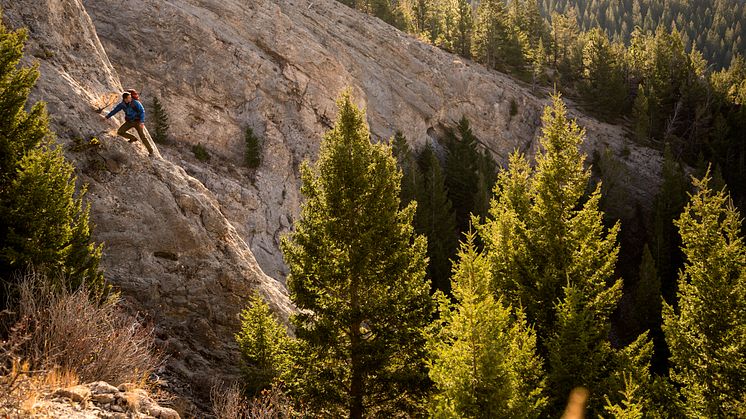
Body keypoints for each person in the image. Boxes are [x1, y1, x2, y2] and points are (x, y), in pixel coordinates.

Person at [104, 90, 154, 155]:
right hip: (129, 121)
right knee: (120, 132)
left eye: (130, 97)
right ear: (125, 99)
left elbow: (142, 111)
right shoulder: (122, 105)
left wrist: (142, 122)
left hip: (138, 122)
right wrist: (107, 117)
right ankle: (133, 138)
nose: (131, 98)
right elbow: (115, 110)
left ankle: (151, 151)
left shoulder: (135, 103)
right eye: (129, 97)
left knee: (143, 137)